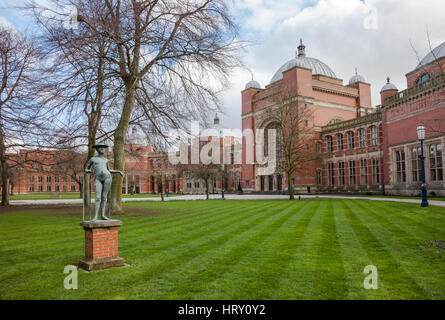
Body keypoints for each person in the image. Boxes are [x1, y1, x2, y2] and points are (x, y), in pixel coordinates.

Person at [85, 144, 124, 221]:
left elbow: (108, 170)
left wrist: (118, 171)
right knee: (97, 197)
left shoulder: (106, 160)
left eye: (103, 148)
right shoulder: (93, 159)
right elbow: (86, 168)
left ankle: (103, 215)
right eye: (100, 148)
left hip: (107, 177)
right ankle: (95, 216)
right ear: (97, 149)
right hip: (98, 178)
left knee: (104, 197)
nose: (102, 149)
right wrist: (87, 170)